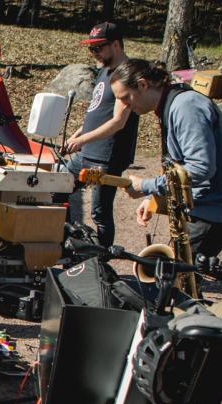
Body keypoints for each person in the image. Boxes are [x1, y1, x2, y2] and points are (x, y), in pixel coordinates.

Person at [111, 58, 222, 258]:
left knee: (179, 279)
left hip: (219, 208)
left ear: (143, 85)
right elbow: (181, 167)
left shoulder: (186, 107)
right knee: (181, 278)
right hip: (211, 204)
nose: (124, 106)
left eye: (125, 98)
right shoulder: (172, 103)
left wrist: (146, 185)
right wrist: (156, 199)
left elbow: (200, 169)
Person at [63, 22, 139, 248]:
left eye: (98, 48)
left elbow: (118, 122)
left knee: (99, 211)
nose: (94, 53)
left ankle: (102, 257)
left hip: (106, 158)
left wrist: (82, 139)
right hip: (87, 152)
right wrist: (78, 134)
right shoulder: (104, 70)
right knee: (58, 187)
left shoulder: (127, 74)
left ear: (116, 45)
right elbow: (97, 111)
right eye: (91, 48)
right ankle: (72, 243)